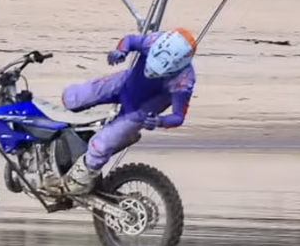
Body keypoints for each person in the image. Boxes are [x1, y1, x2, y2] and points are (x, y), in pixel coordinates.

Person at [58, 27, 197, 195]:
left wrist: (159, 121)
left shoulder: (183, 81)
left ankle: (78, 181)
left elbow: (178, 116)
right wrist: (121, 50)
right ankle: (72, 139)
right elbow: (130, 40)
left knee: (100, 146)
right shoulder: (153, 41)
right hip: (125, 83)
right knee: (71, 97)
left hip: (140, 111)